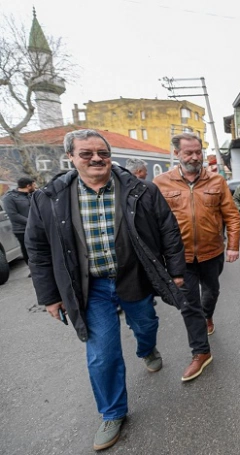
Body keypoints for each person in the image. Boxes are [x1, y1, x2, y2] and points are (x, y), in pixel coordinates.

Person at [25, 129, 187, 451]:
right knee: (102, 354)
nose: (97, 158)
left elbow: (167, 229)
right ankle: (112, 413)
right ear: (70, 157)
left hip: (134, 277)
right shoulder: (49, 198)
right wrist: (49, 296)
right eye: (86, 153)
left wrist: (176, 271)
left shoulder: (141, 189)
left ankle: (147, 349)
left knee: (146, 325)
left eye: (103, 152)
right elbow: (38, 250)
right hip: (91, 288)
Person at [154, 133, 240, 380]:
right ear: (176, 154)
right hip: (178, 257)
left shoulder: (217, 181)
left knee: (211, 291)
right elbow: (154, 222)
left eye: (198, 151)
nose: (194, 157)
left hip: (212, 252)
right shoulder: (161, 183)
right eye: (188, 153)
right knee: (188, 304)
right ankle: (201, 352)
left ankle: (208, 314)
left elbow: (232, 215)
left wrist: (233, 245)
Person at [2, 177, 36, 269]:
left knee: (38, 248)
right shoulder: (9, 198)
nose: (35, 186)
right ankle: (32, 268)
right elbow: (13, 215)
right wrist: (31, 222)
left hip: (36, 227)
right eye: (33, 184)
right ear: (28, 185)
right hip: (21, 229)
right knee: (27, 249)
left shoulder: (31, 195)